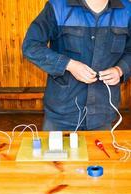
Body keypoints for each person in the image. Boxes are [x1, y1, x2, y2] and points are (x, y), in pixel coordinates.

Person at [22, 0, 131, 131]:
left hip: (103, 114)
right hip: (61, 114)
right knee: (55, 152)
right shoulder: (58, 7)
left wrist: (120, 69)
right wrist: (69, 65)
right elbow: (31, 46)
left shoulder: (127, 10)